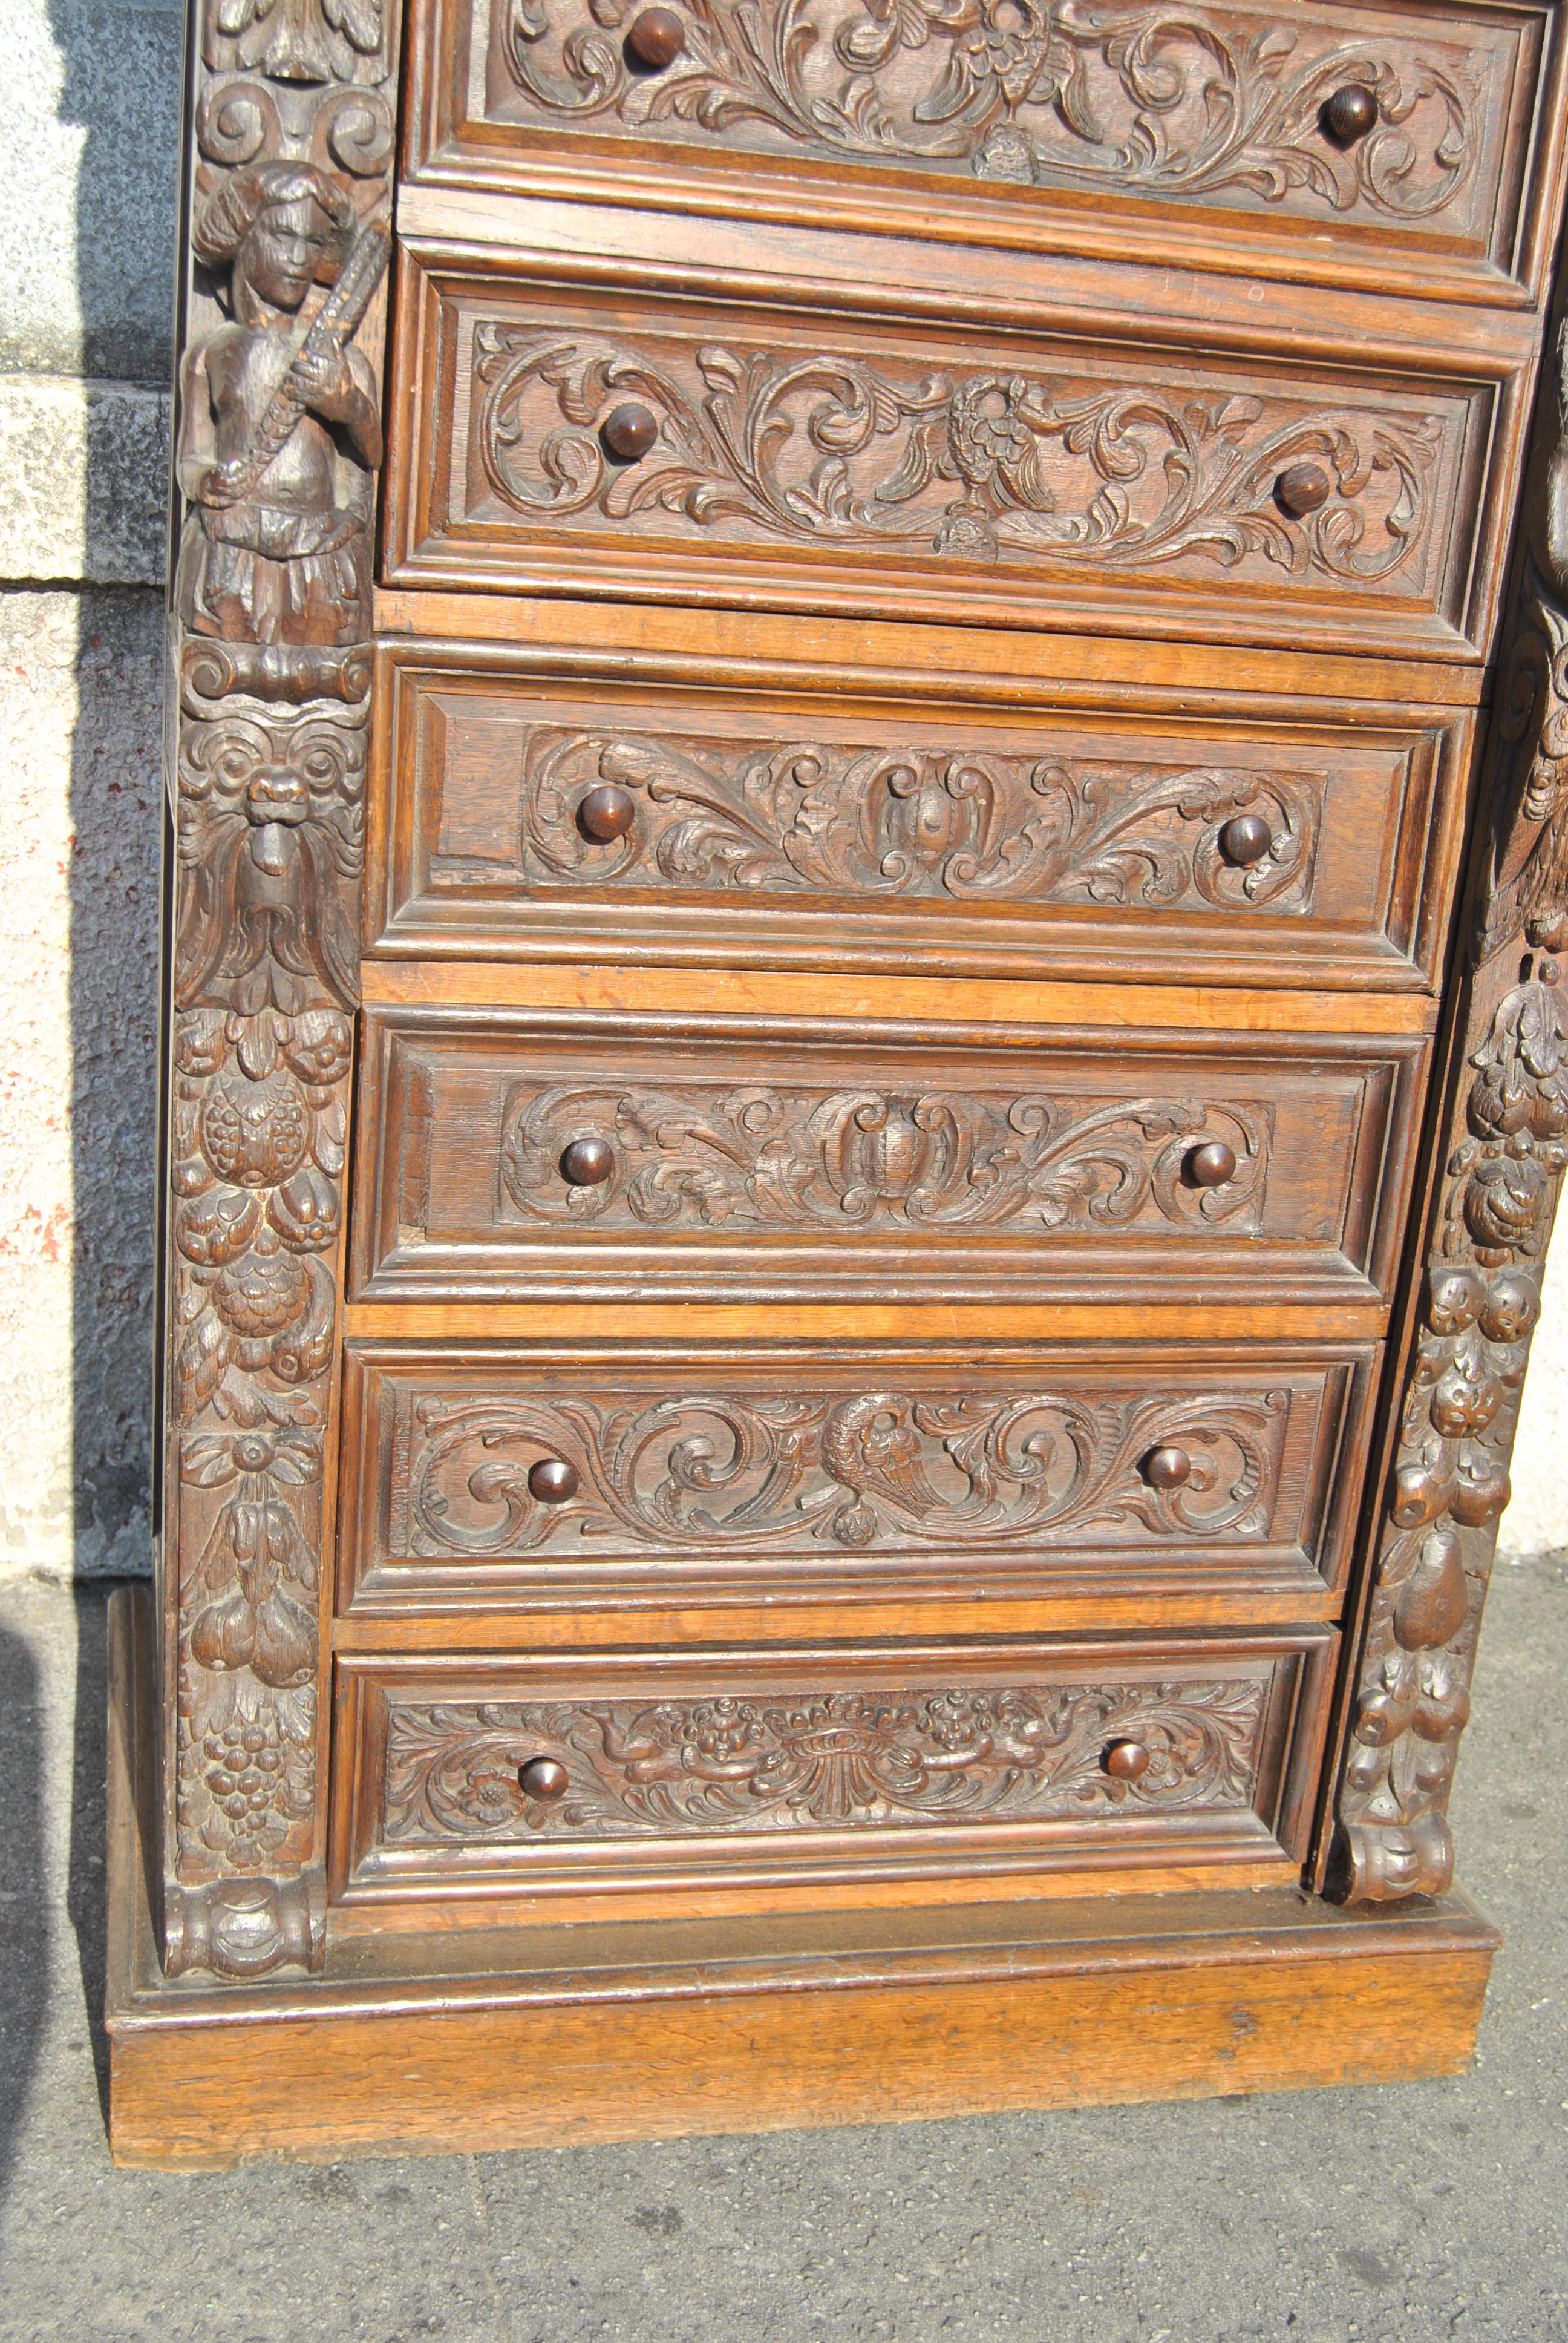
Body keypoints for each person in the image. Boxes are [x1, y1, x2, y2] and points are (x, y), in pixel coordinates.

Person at [178, 162, 383, 648]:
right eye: (281, 235)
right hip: (234, 549)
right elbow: (191, 456)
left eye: (313, 243)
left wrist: (347, 404)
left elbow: (369, 457)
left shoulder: (342, 358)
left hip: (320, 555)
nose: (297, 258)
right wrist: (208, 480)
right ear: (243, 236)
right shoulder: (211, 353)